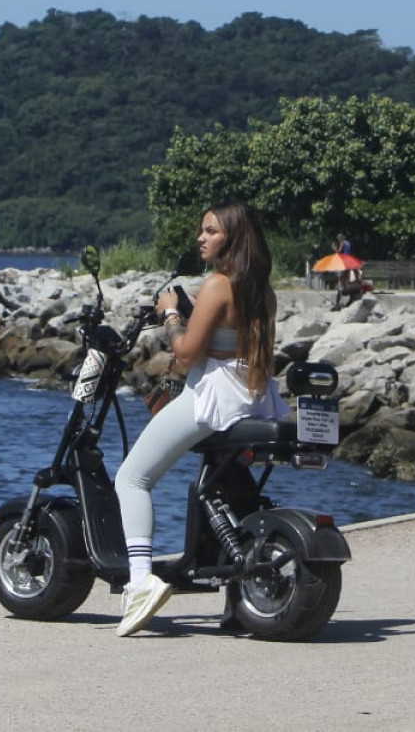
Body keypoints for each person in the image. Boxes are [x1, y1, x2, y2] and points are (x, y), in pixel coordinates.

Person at [112, 201, 287, 637]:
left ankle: (139, 584)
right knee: (226, 487)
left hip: (213, 396)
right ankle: (237, 599)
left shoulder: (217, 285)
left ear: (232, 238)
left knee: (132, 478)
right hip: (255, 395)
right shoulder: (263, 291)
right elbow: (232, 343)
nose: (200, 238)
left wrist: (171, 313)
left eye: (210, 231)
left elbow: (187, 353)